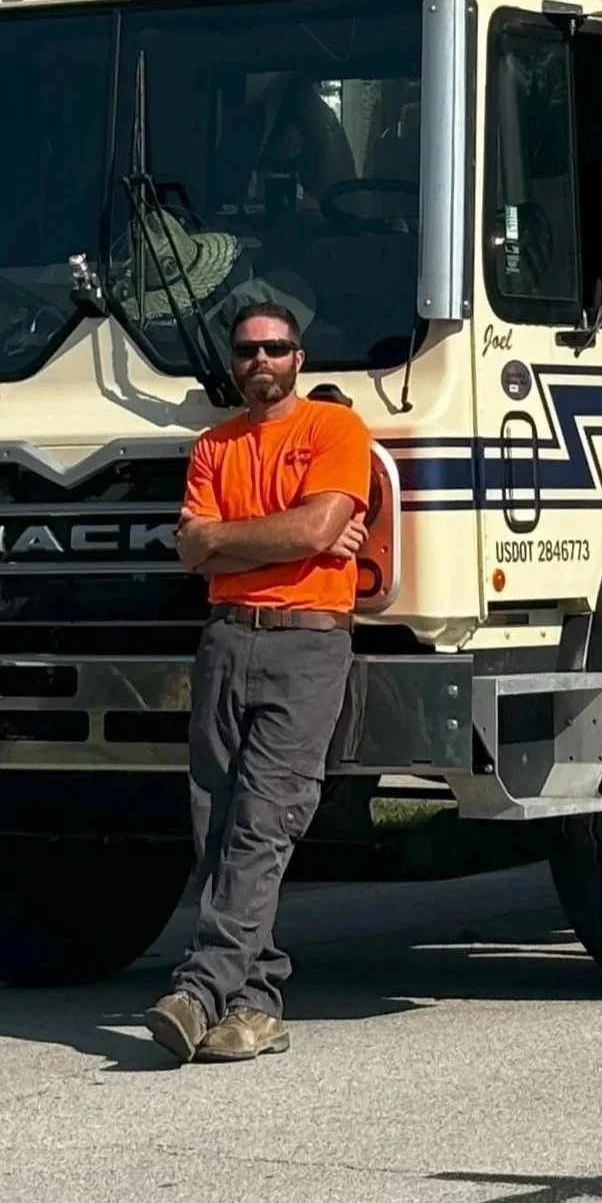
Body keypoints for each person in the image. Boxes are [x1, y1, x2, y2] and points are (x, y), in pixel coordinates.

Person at [143, 301, 372, 1064]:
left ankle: (199, 989)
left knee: (262, 823)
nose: (260, 360)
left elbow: (309, 532)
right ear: (233, 362)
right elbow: (193, 551)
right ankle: (255, 1002)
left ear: (298, 358)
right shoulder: (213, 445)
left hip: (308, 644)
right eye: (246, 350)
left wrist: (230, 541)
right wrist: (271, 536)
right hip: (225, 639)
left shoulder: (335, 431)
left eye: (274, 347)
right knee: (214, 823)